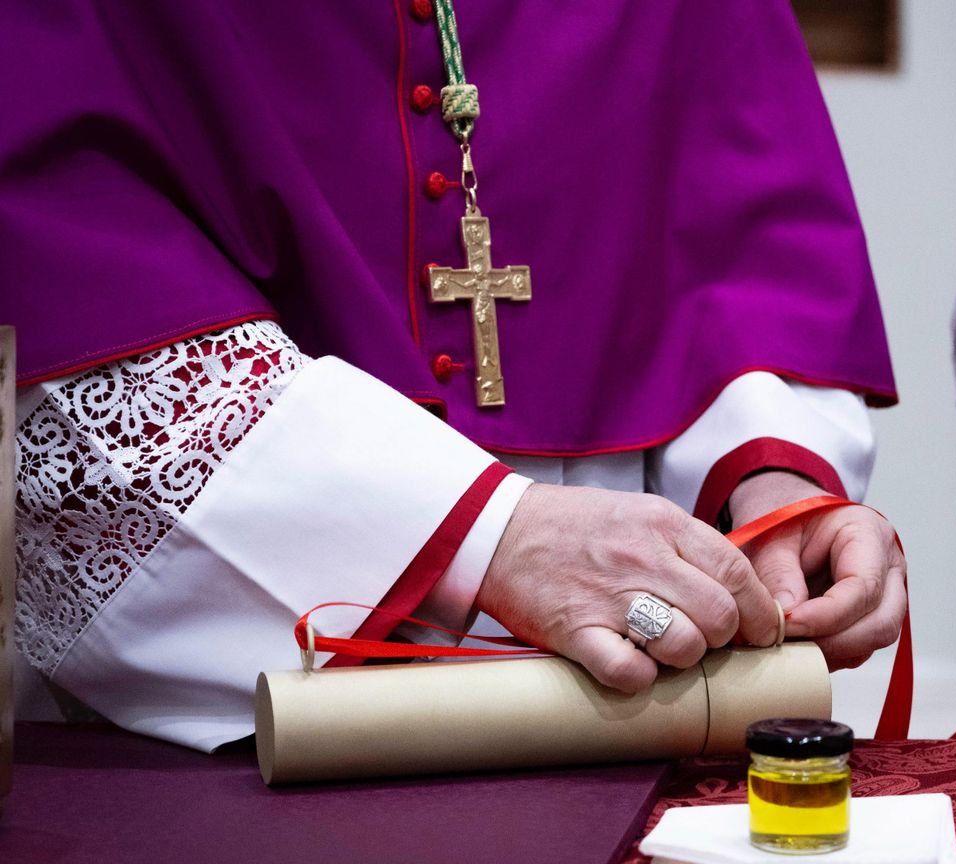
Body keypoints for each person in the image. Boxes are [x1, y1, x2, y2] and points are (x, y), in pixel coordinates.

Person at [2, 1, 907, 751]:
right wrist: (488, 538)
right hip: (260, 683)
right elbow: (69, 257)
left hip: (655, 699)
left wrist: (771, 484)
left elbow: (735, 221)